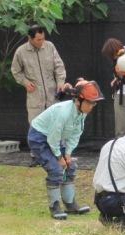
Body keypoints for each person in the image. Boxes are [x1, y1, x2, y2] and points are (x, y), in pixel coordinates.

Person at [28, 79, 104, 219]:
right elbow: (52, 138)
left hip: (54, 139)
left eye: (94, 102)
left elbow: (76, 134)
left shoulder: (82, 113)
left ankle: (70, 204)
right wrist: (59, 157)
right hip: (39, 137)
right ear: (78, 100)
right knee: (56, 169)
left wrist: (68, 154)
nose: (93, 105)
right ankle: (54, 207)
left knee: (70, 166)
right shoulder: (63, 113)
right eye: (90, 102)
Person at [11, 24, 67, 166]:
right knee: (36, 124)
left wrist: (60, 81)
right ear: (30, 38)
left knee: (55, 123)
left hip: (51, 93)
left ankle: (57, 154)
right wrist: (25, 82)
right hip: (35, 94)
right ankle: (36, 156)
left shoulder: (50, 47)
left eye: (42, 39)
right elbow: (15, 70)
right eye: (38, 39)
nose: (41, 42)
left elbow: (59, 66)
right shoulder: (21, 52)